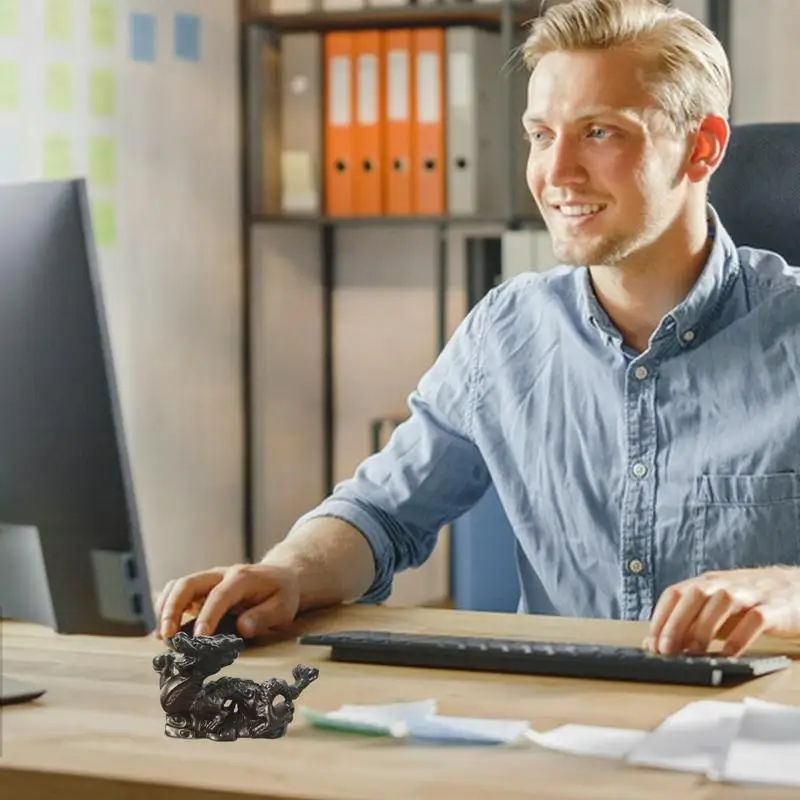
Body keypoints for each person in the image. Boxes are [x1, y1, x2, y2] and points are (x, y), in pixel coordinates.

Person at [157, 0, 800, 658]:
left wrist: (786, 592)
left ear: (703, 147)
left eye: (600, 132)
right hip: (562, 730)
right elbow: (380, 513)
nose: (556, 173)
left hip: (751, 738)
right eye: (541, 134)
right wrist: (289, 571)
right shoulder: (508, 330)